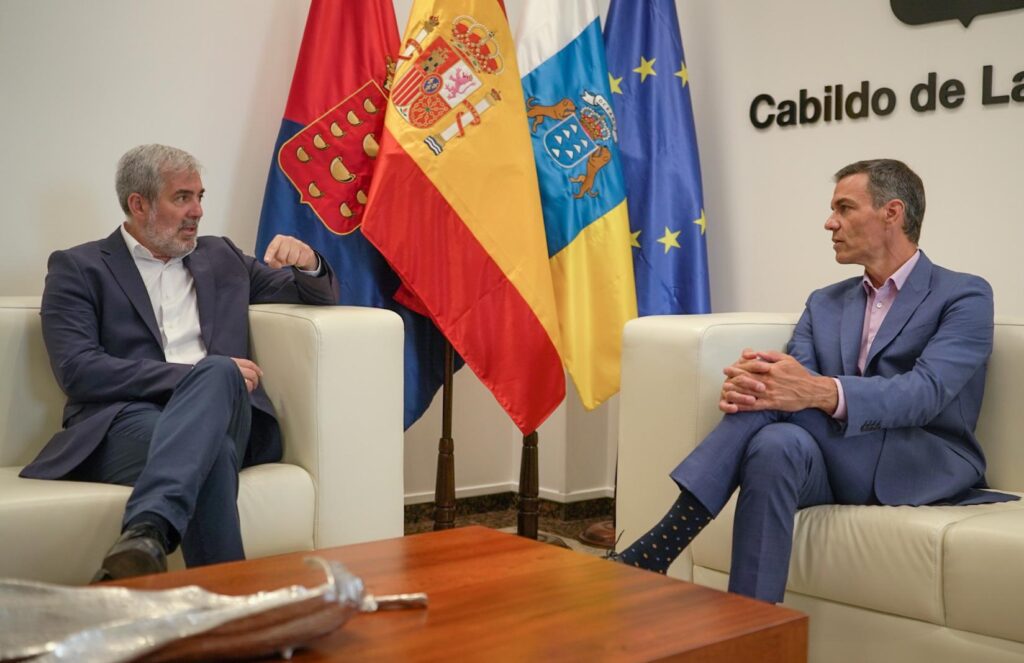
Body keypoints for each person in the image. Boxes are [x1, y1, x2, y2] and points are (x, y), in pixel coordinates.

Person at [612, 159, 1018, 602]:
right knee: (774, 445)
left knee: (776, 408)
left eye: (845, 208)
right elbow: (792, 383)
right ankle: (754, 630)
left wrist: (812, 391)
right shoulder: (824, 302)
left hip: (916, 460)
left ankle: (661, 544)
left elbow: (925, 394)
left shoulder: (964, 294)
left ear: (892, 213)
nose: (830, 223)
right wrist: (753, 386)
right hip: (834, 461)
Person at [20, 144, 340, 581]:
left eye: (200, 197)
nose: (198, 211)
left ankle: (147, 531)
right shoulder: (79, 267)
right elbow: (78, 370)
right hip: (126, 424)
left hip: (231, 413)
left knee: (218, 374)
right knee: (214, 442)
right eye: (182, 198)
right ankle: (225, 602)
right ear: (139, 204)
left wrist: (310, 262)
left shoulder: (223, 257)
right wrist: (193, 377)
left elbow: (317, 297)